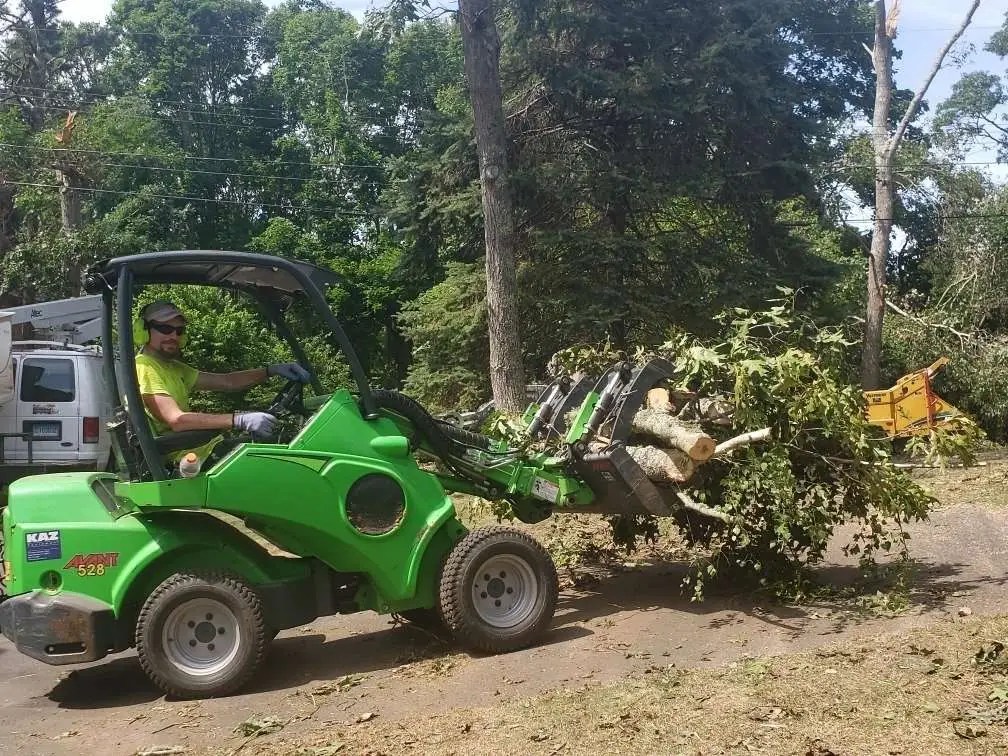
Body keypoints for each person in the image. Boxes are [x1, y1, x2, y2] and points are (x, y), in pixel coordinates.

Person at [134, 300, 310, 463]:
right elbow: (177, 420)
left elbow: (228, 382)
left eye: (179, 331)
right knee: (285, 458)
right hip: (189, 458)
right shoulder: (145, 366)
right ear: (143, 330)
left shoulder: (173, 367)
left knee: (282, 445)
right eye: (165, 329)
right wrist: (239, 419)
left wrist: (270, 370)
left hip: (201, 448)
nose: (173, 335)